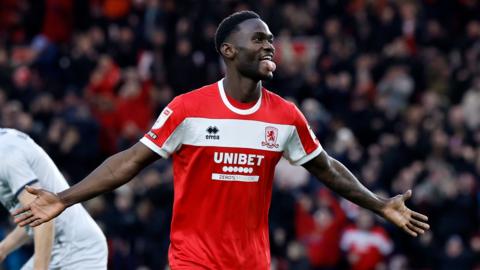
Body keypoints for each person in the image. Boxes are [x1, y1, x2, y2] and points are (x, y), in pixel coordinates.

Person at [13, 11, 429, 269]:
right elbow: (129, 162)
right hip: (194, 261)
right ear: (229, 51)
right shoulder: (188, 109)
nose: (270, 46)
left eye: (271, 39)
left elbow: (327, 169)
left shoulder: (286, 116)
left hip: (252, 263)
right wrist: (65, 198)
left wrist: (378, 204)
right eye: (260, 39)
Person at [0, 128, 108, 269]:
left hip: (78, 250)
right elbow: (35, 219)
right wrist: (3, 248)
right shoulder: (7, 141)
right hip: (60, 247)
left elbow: (44, 220)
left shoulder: (5, 155)